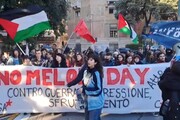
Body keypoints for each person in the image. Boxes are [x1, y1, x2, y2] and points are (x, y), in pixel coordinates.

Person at [67, 53, 104, 120]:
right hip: (87, 102)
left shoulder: (96, 73)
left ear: (95, 62)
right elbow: (85, 84)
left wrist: (84, 90)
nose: (89, 61)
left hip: (96, 103)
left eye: (91, 60)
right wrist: (81, 88)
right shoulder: (86, 72)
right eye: (88, 59)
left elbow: (98, 89)